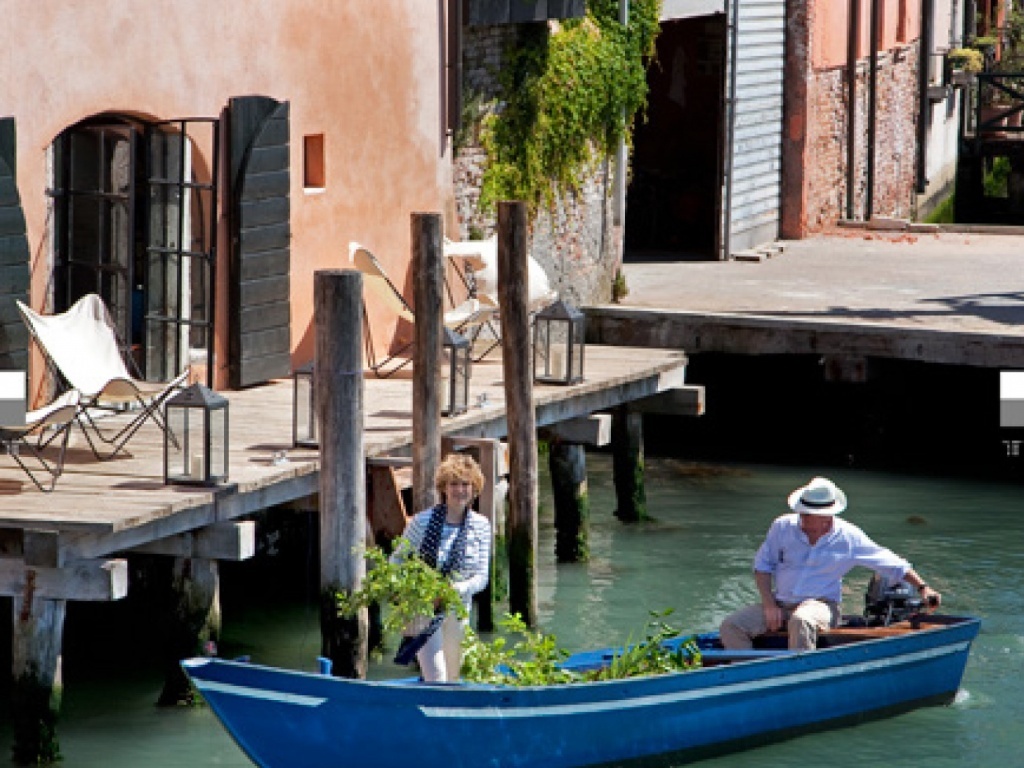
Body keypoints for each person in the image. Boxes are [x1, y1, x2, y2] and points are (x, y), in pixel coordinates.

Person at [719, 476, 942, 651]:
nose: (801, 517)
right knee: (731, 626)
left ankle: (801, 678)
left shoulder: (849, 537)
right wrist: (769, 604)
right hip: (780, 603)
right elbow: (762, 567)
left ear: (826, 517)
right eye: (801, 511)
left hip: (822, 606)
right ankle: (749, 677)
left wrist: (923, 587)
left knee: (801, 620)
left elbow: (892, 564)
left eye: (807, 514)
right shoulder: (782, 527)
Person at [391, 453, 491, 681]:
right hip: (424, 609)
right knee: (436, 676)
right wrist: (412, 590)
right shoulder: (421, 522)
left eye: (465, 484)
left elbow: (482, 577)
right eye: (453, 484)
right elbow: (397, 561)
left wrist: (456, 589)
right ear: (444, 488)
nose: (459, 490)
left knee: (454, 678)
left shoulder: (481, 525)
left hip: (458, 609)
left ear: (474, 488)